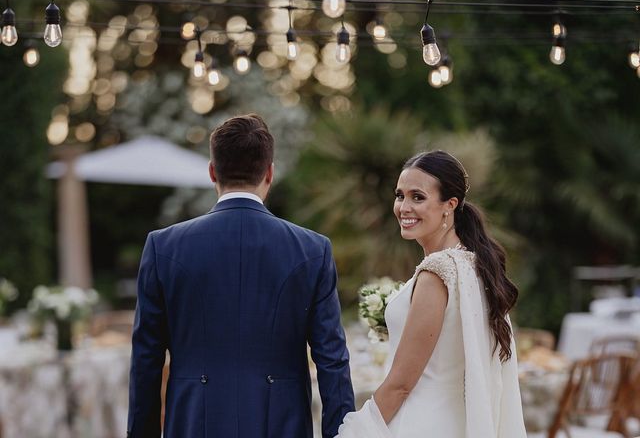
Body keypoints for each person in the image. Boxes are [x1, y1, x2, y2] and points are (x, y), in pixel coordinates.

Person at [127, 113, 355, 438]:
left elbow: (146, 361)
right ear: (270, 173)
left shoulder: (163, 247)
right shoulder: (312, 250)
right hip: (282, 425)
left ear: (211, 171)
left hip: (193, 424)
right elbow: (332, 361)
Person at [336, 150, 526, 438]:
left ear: (449, 205)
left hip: (417, 425)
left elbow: (401, 384)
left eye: (418, 197)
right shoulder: (474, 265)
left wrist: (356, 431)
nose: (404, 207)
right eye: (400, 195)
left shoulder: (437, 273)